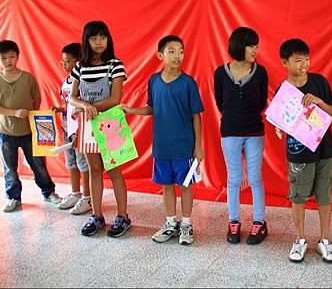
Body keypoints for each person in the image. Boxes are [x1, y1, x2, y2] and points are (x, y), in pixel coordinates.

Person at [123, 35, 204, 245]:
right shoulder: (154, 81)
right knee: (166, 186)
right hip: (161, 147)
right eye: (172, 51)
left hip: (184, 148)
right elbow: (152, 108)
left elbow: (197, 115)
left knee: (185, 186)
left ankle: (186, 224)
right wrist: (132, 110)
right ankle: (170, 223)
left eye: (181, 51)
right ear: (160, 55)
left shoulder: (188, 83)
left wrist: (198, 146)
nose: (177, 56)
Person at [276, 38, 332, 263]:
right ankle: (300, 240)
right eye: (298, 60)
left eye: (307, 59)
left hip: (324, 149)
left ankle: (325, 240)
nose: (304, 64)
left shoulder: (319, 81)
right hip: (299, 152)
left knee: (325, 196)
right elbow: (281, 121)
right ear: (285, 62)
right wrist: (279, 128)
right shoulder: (284, 91)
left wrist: (319, 102)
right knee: (298, 196)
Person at [69, 21, 131, 237]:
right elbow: (72, 98)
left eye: (102, 37)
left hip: (110, 123)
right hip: (87, 123)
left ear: (108, 40)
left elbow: (115, 99)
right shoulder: (80, 66)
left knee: (114, 170)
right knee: (94, 169)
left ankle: (123, 217)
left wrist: (90, 106)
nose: (98, 42)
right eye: (94, 38)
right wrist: (85, 106)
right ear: (86, 41)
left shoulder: (116, 64)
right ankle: (97, 216)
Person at [214, 27, 268, 245]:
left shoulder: (261, 71)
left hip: (255, 131)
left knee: (255, 178)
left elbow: (263, 101)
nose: (255, 50)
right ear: (239, 46)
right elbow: (220, 102)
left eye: (256, 46)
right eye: (250, 45)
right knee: (233, 178)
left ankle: (259, 222)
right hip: (230, 131)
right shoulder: (220, 72)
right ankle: (233, 221)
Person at [0, 40, 61, 212]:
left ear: (18, 57)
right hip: (6, 132)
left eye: (11, 56)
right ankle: (13, 197)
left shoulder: (28, 78)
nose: (8, 61)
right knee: (9, 167)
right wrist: (13, 113)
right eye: (3, 58)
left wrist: (35, 117)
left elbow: (37, 99)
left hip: (29, 131)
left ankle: (49, 192)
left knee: (38, 164)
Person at [53, 43, 91, 214]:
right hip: (66, 128)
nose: (64, 64)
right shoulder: (65, 82)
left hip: (79, 130)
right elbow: (68, 105)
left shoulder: (83, 82)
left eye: (67, 61)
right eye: (63, 61)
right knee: (71, 162)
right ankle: (75, 192)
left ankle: (87, 197)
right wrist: (60, 110)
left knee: (84, 164)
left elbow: (83, 107)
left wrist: (79, 131)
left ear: (78, 62)